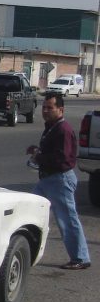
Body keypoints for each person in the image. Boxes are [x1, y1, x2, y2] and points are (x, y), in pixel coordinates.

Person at [27, 93, 90, 270]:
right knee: (30, 211)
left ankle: (80, 257)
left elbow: (62, 159)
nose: (45, 111)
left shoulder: (63, 129)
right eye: (44, 107)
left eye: (50, 108)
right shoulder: (51, 127)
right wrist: (37, 151)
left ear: (60, 110)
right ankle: (27, 251)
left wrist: (39, 157)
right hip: (47, 180)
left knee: (67, 220)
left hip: (59, 179)